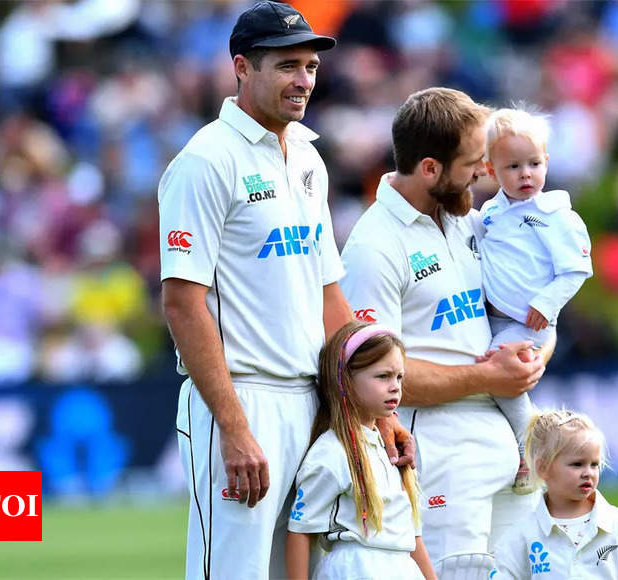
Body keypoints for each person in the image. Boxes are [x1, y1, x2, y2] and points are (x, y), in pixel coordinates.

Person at [158, 3, 412, 578]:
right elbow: (181, 302)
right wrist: (234, 426)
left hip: (312, 403)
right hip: (242, 399)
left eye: (312, 67)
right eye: (287, 66)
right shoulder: (204, 161)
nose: (304, 81)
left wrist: (377, 412)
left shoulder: (306, 157)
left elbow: (328, 296)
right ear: (243, 68)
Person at [339, 87, 550, 578]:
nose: (486, 171)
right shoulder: (374, 247)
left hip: (510, 449)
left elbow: (526, 314)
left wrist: (534, 356)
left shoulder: (467, 221)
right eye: (475, 161)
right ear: (430, 168)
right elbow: (373, 380)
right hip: (439, 454)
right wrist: (489, 379)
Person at [478, 107, 593, 493]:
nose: (525, 174)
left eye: (533, 163)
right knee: (492, 379)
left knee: (498, 378)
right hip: (494, 318)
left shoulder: (556, 214)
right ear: (491, 171)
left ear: (547, 162)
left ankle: (530, 446)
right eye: (512, 166)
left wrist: (546, 303)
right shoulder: (489, 214)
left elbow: (577, 269)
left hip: (530, 323)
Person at [285, 321, 436, 580]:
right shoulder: (332, 452)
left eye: (399, 377)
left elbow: (411, 536)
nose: (395, 387)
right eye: (383, 376)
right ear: (345, 380)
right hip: (354, 570)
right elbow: (300, 531)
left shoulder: (393, 451)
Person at [491, 410, 618, 579]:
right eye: (577, 464)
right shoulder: (524, 534)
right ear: (543, 468)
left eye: (594, 464)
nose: (588, 473)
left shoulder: (617, 526)